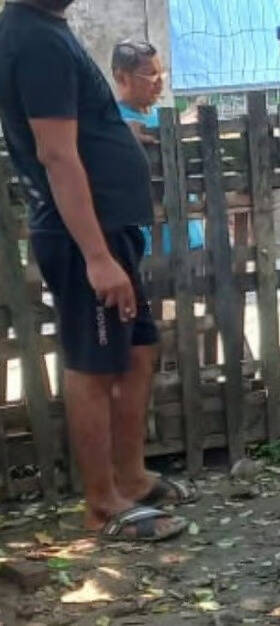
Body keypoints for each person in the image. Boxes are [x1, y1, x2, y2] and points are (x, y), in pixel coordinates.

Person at [0, 0, 195, 541]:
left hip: (109, 228)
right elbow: (55, 154)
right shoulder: (35, 40)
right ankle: (102, 505)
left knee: (138, 349)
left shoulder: (47, 30)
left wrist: (113, 132)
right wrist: (96, 257)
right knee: (94, 365)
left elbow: (73, 129)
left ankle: (130, 479)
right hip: (84, 236)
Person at [111, 39, 204, 256]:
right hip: (148, 249)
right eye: (151, 76)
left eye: (162, 74)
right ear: (122, 77)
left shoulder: (164, 118)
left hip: (190, 238)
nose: (160, 83)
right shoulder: (111, 123)